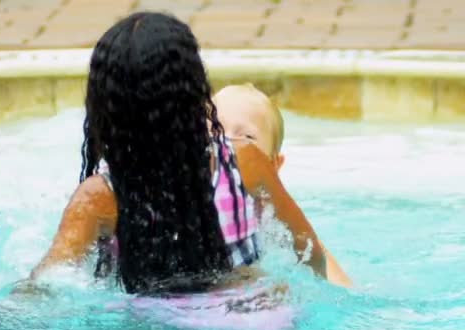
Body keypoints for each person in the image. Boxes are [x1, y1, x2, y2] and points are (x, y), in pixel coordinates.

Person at [32, 12, 326, 295]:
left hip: (149, 323)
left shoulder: (100, 196)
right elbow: (307, 249)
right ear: (195, 92)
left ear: (105, 109)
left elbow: (48, 287)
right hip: (246, 313)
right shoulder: (242, 161)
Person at [214, 84, 352, 288]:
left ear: (273, 165)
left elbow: (319, 260)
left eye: (246, 138)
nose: (225, 144)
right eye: (214, 130)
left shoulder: (269, 212)